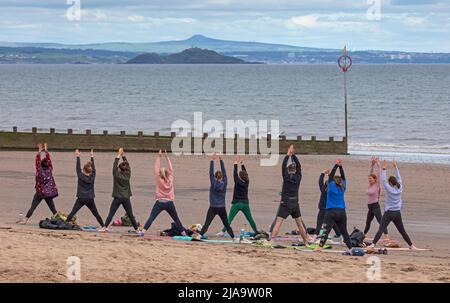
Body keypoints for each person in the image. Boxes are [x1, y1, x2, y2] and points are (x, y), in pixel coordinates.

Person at [368, 160, 417, 250]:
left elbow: (383, 180)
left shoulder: (389, 189)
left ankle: (373, 245)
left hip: (389, 213)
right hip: (397, 213)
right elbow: (399, 178)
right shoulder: (400, 187)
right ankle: (411, 245)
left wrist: (384, 168)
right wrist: (396, 167)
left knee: (381, 229)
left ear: (390, 183)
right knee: (402, 231)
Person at [139, 150, 186, 236]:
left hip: (159, 203)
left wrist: (159, 156)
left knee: (151, 217)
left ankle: (143, 232)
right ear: (168, 173)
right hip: (169, 203)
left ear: (160, 174)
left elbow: (156, 168)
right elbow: (171, 169)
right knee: (176, 219)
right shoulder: (170, 178)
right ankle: (183, 233)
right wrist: (166, 157)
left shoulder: (158, 179)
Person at [270, 144, 309, 244]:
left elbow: (283, 166)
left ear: (288, 170)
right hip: (295, 203)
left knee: (278, 223)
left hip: (286, 203)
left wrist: (288, 155)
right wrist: (293, 155)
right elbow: (299, 167)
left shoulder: (286, 178)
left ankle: (272, 241)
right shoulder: (298, 178)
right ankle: (305, 241)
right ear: (295, 171)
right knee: (300, 224)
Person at [193, 153, 236, 241]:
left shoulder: (213, 183)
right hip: (222, 208)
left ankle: (199, 236)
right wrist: (221, 161)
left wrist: (212, 160)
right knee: (226, 224)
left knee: (207, 223)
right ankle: (233, 237)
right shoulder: (225, 183)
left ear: (215, 177)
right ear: (222, 177)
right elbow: (224, 172)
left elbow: (210, 173)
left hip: (213, 207)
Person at [315, 159, 353, 251]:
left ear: (333, 181)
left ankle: (320, 247)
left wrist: (336, 166)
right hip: (342, 212)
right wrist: (340, 167)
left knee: (326, 231)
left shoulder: (331, 187)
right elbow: (343, 177)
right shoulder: (343, 188)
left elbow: (331, 176)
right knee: (345, 232)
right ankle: (350, 248)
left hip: (331, 212)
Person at [217, 156, 258, 236]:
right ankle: (256, 231)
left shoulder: (237, 181)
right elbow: (245, 173)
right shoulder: (247, 182)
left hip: (236, 203)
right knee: (250, 219)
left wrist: (235, 163)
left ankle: (223, 231)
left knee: (229, 219)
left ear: (239, 177)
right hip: (245, 204)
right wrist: (242, 163)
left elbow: (234, 173)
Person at [103, 148, 139, 232]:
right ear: (126, 169)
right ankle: (137, 229)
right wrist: (123, 155)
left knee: (111, 213)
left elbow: (114, 165)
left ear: (119, 169)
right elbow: (128, 165)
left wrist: (118, 155)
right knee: (130, 214)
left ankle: (105, 227)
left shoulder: (116, 174)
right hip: (126, 197)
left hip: (117, 197)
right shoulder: (128, 174)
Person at [65, 149, 104, 227]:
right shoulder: (92, 176)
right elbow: (94, 169)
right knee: (96, 214)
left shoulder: (80, 175)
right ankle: (103, 226)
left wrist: (78, 156)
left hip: (81, 198)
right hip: (90, 198)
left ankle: (64, 224)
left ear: (83, 170)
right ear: (90, 171)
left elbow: (77, 167)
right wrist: (92, 156)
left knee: (72, 213)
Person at [22, 143, 58, 224]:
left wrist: (39, 151)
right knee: (53, 209)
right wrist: (46, 151)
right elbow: (49, 160)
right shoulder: (50, 169)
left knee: (33, 207)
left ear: (41, 165)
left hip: (40, 192)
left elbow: (37, 161)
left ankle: (25, 220)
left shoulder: (39, 170)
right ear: (48, 165)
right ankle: (58, 219)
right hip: (48, 193)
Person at [310, 169, 341, 243]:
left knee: (319, 223)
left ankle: (314, 237)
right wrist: (329, 175)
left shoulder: (324, 189)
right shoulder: (332, 190)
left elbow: (320, 182)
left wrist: (322, 173)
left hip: (324, 209)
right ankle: (342, 238)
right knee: (334, 224)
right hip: (330, 209)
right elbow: (329, 182)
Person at [364, 157, 389, 239]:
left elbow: (378, 174)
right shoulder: (370, 185)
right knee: (368, 222)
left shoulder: (377, 185)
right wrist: (372, 164)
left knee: (380, 221)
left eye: (371, 179)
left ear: (375, 180)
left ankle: (386, 235)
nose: (369, 180)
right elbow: (370, 173)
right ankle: (364, 234)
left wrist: (378, 164)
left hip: (375, 206)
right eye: (369, 179)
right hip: (370, 207)